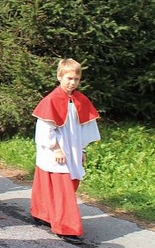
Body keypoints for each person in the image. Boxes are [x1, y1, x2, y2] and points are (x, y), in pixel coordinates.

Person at [30, 58, 101, 245]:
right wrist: (56, 149)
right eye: (69, 78)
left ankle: (44, 214)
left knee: (69, 184)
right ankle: (66, 227)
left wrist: (83, 149)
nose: (72, 82)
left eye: (76, 79)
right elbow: (45, 129)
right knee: (63, 190)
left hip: (73, 150)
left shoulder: (80, 100)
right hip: (56, 153)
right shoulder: (51, 100)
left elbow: (84, 127)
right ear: (59, 76)